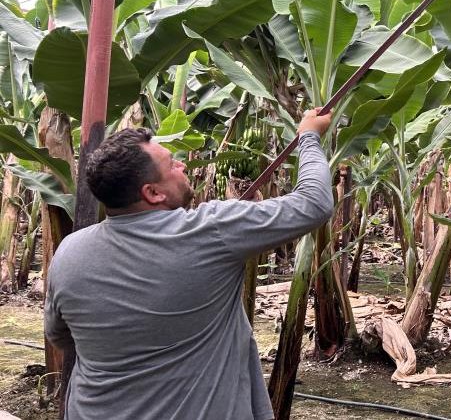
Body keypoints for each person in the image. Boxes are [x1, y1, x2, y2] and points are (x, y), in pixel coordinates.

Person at [44, 109, 335, 420]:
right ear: (152, 193)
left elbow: (60, 335)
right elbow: (313, 204)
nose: (183, 165)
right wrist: (308, 136)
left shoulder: (68, 253)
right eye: (172, 165)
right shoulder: (209, 231)